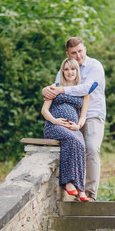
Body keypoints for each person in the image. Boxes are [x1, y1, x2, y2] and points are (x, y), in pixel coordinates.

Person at [42, 37, 106, 202]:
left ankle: (90, 194)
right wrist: (46, 90)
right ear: (68, 53)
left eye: (80, 51)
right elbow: (54, 89)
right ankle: (74, 188)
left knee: (91, 148)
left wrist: (59, 89)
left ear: (85, 48)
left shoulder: (95, 66)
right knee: (74, 145)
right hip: (69, 117)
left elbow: (87, 88)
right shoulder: (65, 67)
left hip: (92, 114)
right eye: (73, 53)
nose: (77, 55)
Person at [41, 57, 90, 202]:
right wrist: (55, 120)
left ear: (77, 71)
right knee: (72, 139)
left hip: (73, 128)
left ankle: (81, 189)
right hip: (54, 126)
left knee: (81, 144)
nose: (70, 72)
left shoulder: (83, 91)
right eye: (66, 69)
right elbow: (44, 110)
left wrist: (78, 126)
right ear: (62, 71)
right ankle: (68, 182)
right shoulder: (55, 87)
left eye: (73, 69)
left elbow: (83, 116)